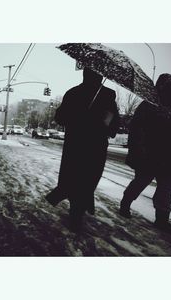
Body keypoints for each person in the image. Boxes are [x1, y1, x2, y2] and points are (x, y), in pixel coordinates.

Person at [45, 68, 120, 232]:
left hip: (75, 144)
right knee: (88, 178)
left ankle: (74, 206)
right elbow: (114, 125)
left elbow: (60, 118)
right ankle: (77, 213)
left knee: (73, 175)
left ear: (84, 74)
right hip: (96, 146)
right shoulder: (108, 96)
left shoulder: (73, 93)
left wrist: (77, 118)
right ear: (101, 76)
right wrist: (104, 125)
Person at [119, 73, 171, 235]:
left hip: (170, 157)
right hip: (150, 154)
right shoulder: (149, 105)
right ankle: (126, 202)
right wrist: (138, 149)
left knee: (165, 188)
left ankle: (162, 219)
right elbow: (136, 129)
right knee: (141, 181)